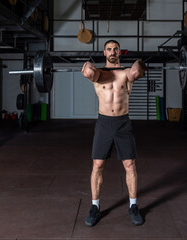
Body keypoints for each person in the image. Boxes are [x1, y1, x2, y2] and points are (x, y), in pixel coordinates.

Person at [81, 39, 147, 227]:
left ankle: (133, 206)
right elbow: (89, 72)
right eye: (109, 49)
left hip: (122, 123)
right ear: (104, 53)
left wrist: (141, 64)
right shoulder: (99, 74)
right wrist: (87, 66)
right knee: (97, 165)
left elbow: (136, 72)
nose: (112, 52)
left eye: (115, 49)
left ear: (120, 52)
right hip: (104, 123)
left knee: (130, 164)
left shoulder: (126, 73)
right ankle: (95, 207)